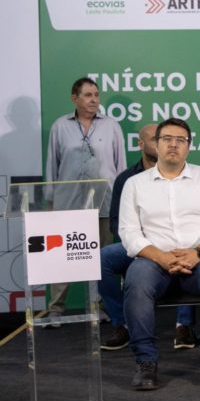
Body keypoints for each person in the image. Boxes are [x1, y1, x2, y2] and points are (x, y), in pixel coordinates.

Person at [119, 117, 200, 389]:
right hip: (154, 260)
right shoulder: (135, 184)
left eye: (180, 140)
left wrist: (197, 252)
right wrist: (161, 257)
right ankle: (145, 362)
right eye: (167, 139)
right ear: (156, 144)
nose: (173, 145)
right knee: (136, 283)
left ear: (189, 146)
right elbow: (129, 232)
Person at [98, 124, 195, 351]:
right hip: (139, 243)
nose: (166, 143)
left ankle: (184, 325)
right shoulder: (126, 179)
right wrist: (143, 244)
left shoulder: (186, 174)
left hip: (177, 242)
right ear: (141, 143)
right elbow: (116, 223)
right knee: (102, 258)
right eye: (156, 138)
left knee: (187, 249)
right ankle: (123, 323)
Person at [45, 77, 126, 323]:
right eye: (88, 95)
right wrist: (51, 201)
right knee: (63, 256)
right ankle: (56, 309)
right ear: (75, 98)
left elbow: (120, 166)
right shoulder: (60, 126)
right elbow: (52, 165)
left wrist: (121, 200)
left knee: (101, 259)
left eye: (96, 95)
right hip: (68, 204)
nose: (94, 100)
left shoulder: (111, 126)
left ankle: (99, 307)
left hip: (104, 203)